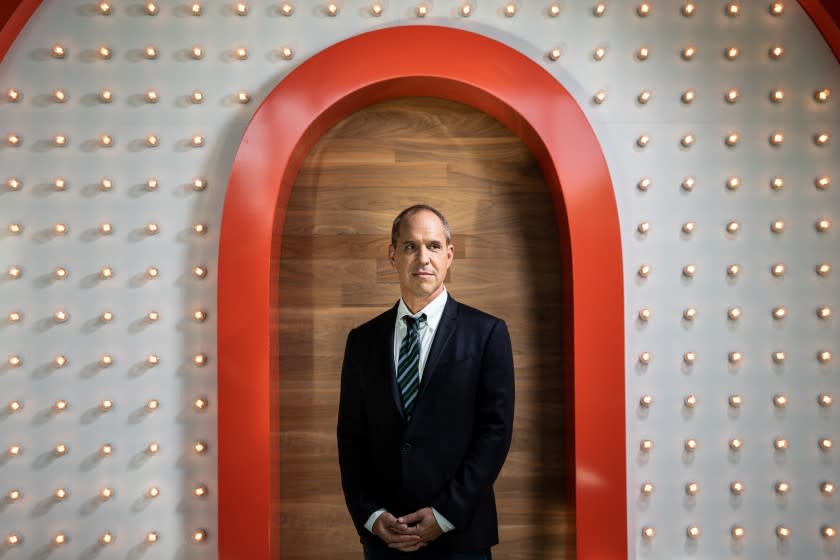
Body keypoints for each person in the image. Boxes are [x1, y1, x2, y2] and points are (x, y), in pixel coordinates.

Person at [337, 205, 515, 559]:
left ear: (449, 256)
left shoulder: (487, 333)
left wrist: (445, 514)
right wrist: (370, 516)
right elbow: (351, 438)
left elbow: (494, 433)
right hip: (385, 538)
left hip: (460, 536)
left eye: (433, 246)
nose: (423, 258)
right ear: (392, 256)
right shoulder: (362, 341)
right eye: (410, 246)